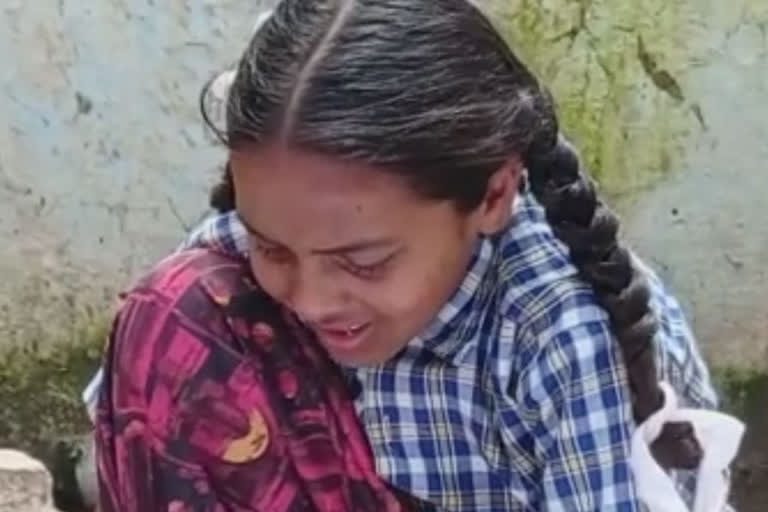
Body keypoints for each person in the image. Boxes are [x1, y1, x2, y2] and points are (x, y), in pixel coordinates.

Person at [93, 0, 734, 510]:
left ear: (493, 195)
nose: (312, 299)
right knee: (178, 306)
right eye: (272, 248)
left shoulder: (564, 336)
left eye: (364, 262)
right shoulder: (244, 270)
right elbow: (145, 424)